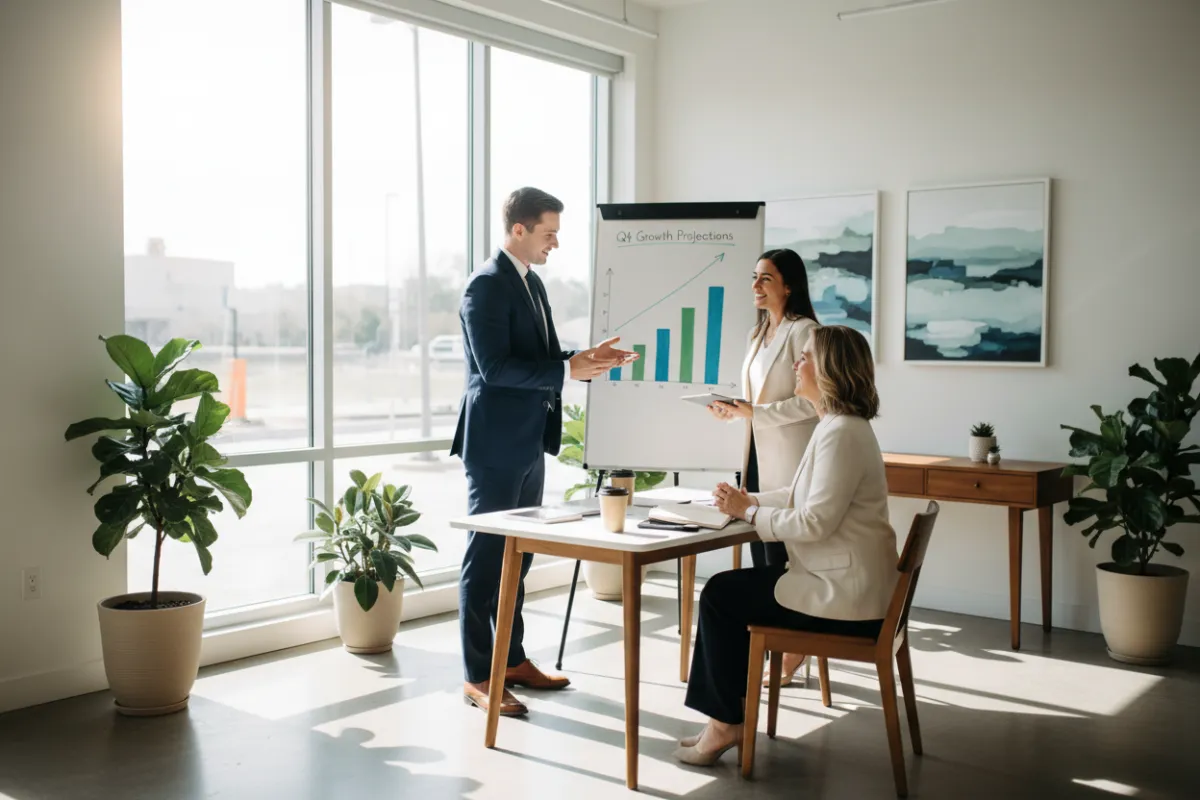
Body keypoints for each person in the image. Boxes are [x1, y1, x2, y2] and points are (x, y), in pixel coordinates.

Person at [451, 187, 637, 717]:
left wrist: (583, 358)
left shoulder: (531, 284)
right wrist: (564, 372)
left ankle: (510, 661)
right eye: (549, 233)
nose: (556, 243)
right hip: (494, 443)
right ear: (519, 230)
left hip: (529, 440)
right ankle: (476, 675)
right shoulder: (485, 287)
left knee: (520, 556)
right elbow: (495, 369)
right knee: (485, 560)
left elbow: (538, 356)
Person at [674, 325, 897, 766]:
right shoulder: (837, 426)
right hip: (845, 581)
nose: (798, 363)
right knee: (727, 591)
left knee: (721, 595)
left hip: (844, 596)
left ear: (831, 369)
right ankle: (724, 721)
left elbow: (813, 522)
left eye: (807, 357)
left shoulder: (841, 433)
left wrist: (749, 514)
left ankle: (724, 726)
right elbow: (803, 498)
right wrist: (749, 501)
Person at [707, 247, 819, 686]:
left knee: (787, 556)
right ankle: (775, 639)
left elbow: (811, 402)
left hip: (789, 458)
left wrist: (754, 412)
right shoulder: (758, 335)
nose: (755, 286)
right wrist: (735, 411)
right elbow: (756, 401)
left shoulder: (804, 331)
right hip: (755, 455)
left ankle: (793, 647)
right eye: (754, 277)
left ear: (788, 285)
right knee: (762, 550)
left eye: (765, 279)